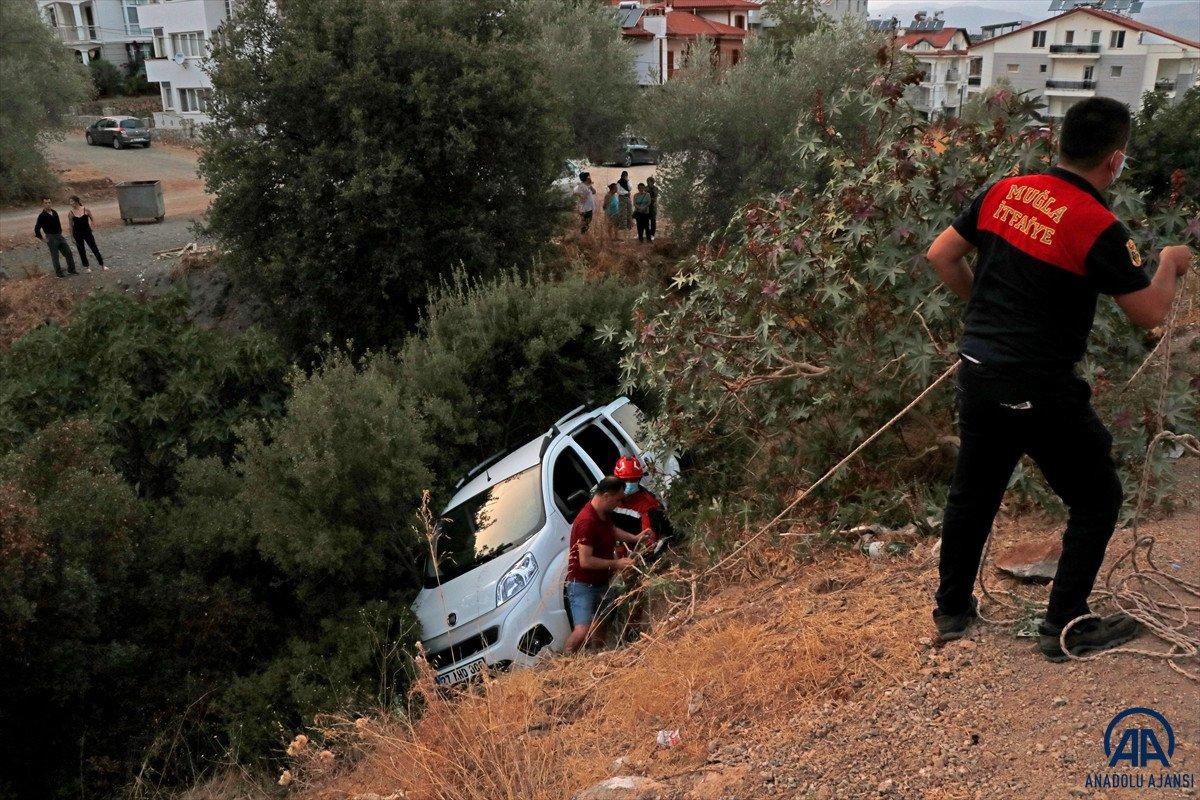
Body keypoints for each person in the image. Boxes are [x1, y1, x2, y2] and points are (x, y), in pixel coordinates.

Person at [925, 97, 1193, 661]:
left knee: (973, 492)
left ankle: (951, 612)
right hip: (1040, 386)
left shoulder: (1004, 191)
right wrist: (1170, 263)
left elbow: (941, 255)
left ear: (1060, 142)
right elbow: (1148, 312)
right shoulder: (1098, 226)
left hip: (978, 371)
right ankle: (1066, 624)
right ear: (1114, 160)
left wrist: (985, 312)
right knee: (1098, 497)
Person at [564, 477, 646, 653]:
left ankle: (598, 655)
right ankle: (566, 659)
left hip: (601, 582)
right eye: (618, 499)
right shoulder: (587, 521)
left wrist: (635, 538)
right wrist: (616, 563)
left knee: (601, 621)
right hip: (583, 585)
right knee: (582, 630)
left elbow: (612, 531)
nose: (619, 504)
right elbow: (585, 561)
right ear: (607, 496)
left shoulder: (603, 513)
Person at [612, 456, 673, 555]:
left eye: (633, 480)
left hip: (632, 553)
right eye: (625, 480)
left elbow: (648, 542)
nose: (629, 483)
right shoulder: (610, 497)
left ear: (639, 478)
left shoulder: (648, 505)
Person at [33, 198, 77, 278]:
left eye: (49, 202)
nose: (48, 204)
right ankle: (59, 273)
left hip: (59, 236)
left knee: (68, 252)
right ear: (43, 204)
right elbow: (37, 228)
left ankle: (71, 270)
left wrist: (60, 232)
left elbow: (58, 224)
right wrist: (42, 239)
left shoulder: (54, 212)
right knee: (55, 256)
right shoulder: (42, 216)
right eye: (46, 203)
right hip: (51, 237)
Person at [68, 195, 106, 272]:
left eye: (72, 201)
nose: (71, 203)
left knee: (94, 247)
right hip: (77, 233)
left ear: (76, 201)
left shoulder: (86, 210)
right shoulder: (71, 213)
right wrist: (72, 237)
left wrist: (92, 226)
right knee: (81, 250)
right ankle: (87, 267)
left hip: (87, 232)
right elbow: (71, 226)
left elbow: (92, 219)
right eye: (70, 202)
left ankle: (102, 265)